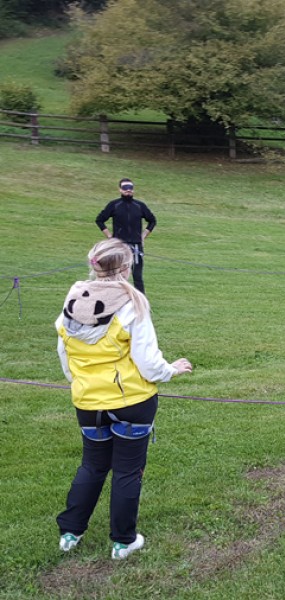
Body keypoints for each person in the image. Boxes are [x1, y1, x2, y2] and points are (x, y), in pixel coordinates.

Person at [55, 238, 192, 560]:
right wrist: (170, 370)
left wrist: (81, 383)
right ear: (127, 269)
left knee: (92, 465)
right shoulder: (132, 304)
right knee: (127, 471)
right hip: (132, 402)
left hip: (88, 402)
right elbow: (148, 361)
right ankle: (122, 540)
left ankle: (71, 532)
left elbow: (65, 355)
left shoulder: (72, 301)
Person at [95, 178, 157, 294]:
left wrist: (143, 236)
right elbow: (99, 220)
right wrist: (109, 236)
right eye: (125, 188)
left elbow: (152, 221)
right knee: (119, 274)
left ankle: (141, 302)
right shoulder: (114, 205)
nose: (128, 190)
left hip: (136, 246)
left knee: (137, 276)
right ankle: (117, 298)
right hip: (119, 245)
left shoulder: (139, 206)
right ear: (120, 189)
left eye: (130, 188)